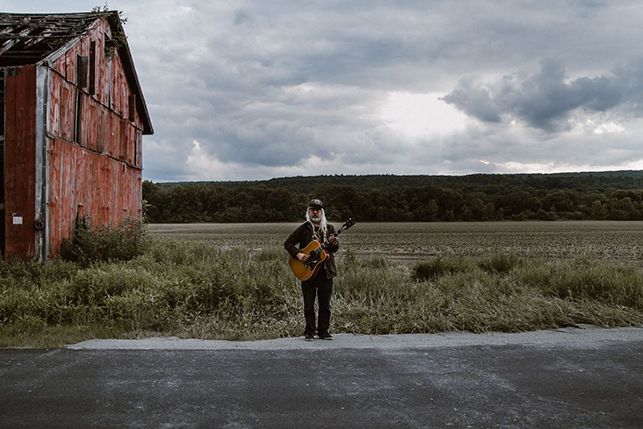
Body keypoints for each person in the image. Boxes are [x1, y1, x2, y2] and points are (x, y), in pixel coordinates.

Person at [284, 198, 339, 341]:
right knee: (309, 304)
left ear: (322, 212)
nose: (315, 212)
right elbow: (288, 243)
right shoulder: (303, 229)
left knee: (325, 305)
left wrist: (334, 243)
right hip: (307, 271)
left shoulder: (330, 229)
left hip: (326, 272)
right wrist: (299, 254)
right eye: (312, 209)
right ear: (308, 211)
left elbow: (334, 249)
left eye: (318, 210)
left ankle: (323, 331)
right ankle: (309, 331)